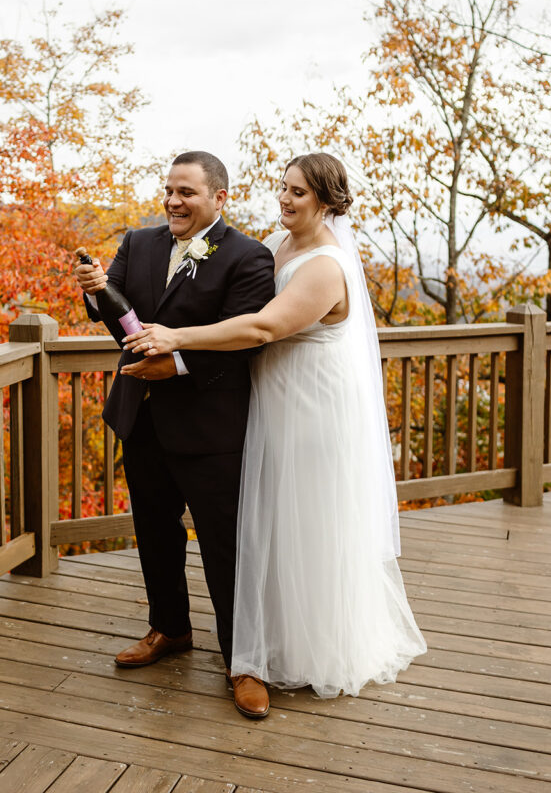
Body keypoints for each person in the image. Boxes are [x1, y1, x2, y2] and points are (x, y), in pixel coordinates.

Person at [124, 152, 427, 699]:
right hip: (268, 401)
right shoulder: (278, 244)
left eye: (299, 193)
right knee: (266, 526)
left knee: (307, 526)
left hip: (312, 406)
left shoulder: (327, 266)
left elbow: (263, 327)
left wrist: (176, 338)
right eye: (283, 188)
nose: (285, 199)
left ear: (329, 203)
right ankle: (258, 642)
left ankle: (305, 648)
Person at [74, 151, 276, 718]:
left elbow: (246, 341)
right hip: (142, 419)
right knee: (154, 531)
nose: (173, 201)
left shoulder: (248, 256)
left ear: (219, 197)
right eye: (168, 190)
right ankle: (169, 629)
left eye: (186, 192)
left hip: (210, 427)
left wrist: (178, 363)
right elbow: (113, 315)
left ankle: (244, 662)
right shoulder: (138, 244)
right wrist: (94, 289)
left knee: (224, 547)